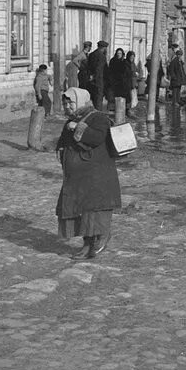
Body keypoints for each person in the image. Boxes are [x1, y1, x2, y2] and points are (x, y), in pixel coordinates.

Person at [55, 88, 121, 259]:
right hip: (79, 178)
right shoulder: (71, 120)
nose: (67, 106)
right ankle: (87, 243)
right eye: (65, 103)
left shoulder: (99, 118)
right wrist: (60, 149)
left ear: (82, 101)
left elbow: (97, 138)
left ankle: (102, 237)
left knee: (96, 211)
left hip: (97, 176)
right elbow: (62, 141)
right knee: (83, 211)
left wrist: (78, 127)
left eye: (71, 102)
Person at [106, 47, 133, 112]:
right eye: (118, 53)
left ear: (122, 54)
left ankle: (126, 109)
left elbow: (128, 73)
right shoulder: (113, 61)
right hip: (115, 83)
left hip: (123, 83)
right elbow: (110, 72)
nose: (119, 55)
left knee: (125, 97)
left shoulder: (125, 62)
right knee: (114, 97)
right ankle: (113, 110)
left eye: (120, 53)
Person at [84, 40, 108, 110]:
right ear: (104, 48)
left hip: (90, 81)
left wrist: (91, 77)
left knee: (93, 99)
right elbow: (99, 70)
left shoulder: (91, 55)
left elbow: (88, 67)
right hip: (98, 81)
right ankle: (98, 115)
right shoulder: (102, 56)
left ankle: (94, 113)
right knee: (98, 100)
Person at [126, 50, 143, 115]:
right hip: (128, 83)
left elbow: (136, 70)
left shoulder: (133, 64)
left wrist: (137, 74)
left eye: (133, 58)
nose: (132, 59)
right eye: (131, 57)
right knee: (129, 97)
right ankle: (127, 110)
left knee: (133, 97)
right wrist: (133, 73)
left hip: (133, 83)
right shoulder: (126, 63)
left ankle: (131, 109)